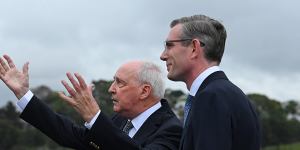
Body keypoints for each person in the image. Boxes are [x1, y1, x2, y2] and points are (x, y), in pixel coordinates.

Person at [0, 54, 182, 150]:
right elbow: (69, 135)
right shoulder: (121, 121)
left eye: (120, 82)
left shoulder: (171, 130)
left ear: (144, 91)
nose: (111, 88)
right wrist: (24, 94)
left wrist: (95, 117)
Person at [160, 15, 261, 150]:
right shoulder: (228, 94)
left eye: (169, 45)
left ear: (194, 48)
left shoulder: (211, 98)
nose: (163, 55)